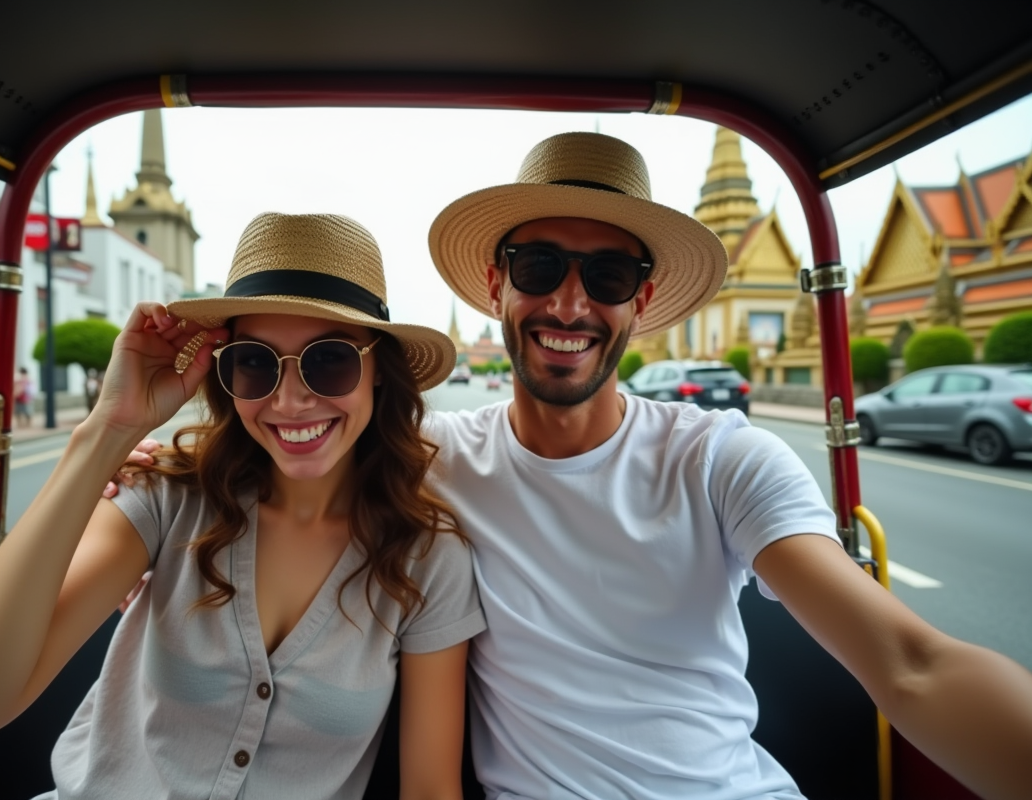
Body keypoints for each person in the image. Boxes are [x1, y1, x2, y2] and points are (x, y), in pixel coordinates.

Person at [112, 134, 1032, 799]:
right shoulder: (434, 467)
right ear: (494, 287)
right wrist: (167, 486)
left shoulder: (722, 461)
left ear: (645, 301)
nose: (568, 301)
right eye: (540, 264)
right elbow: (282, 466)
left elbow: (910, 665)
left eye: (607, 276)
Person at [0, 213, 485, 800]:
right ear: (226, 373)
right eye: (256, 362)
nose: (290, 401)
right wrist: (104, 434)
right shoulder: (168, 498)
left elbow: (430, 788)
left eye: (330, 360)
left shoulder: (426, 557)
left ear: (378, 373)